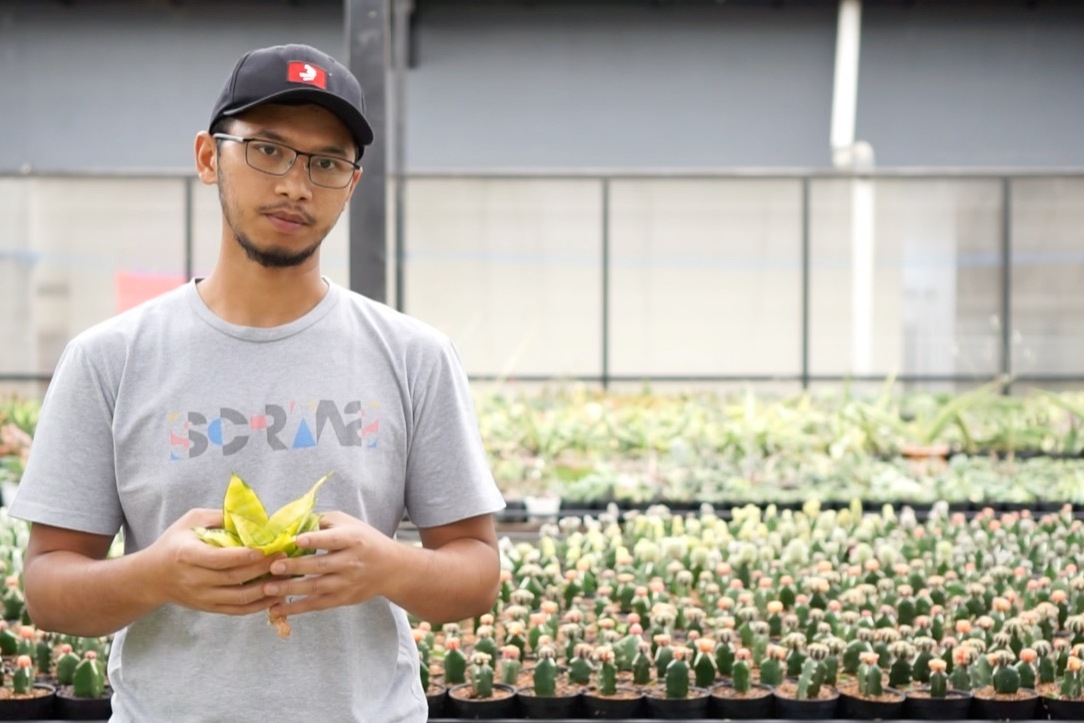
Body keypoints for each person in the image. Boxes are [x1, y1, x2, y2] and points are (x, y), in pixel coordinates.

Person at [10, 43, 504, 722]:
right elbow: (49, 585)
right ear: (208, 157)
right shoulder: (109, 359)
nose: (296, 185)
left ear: (351, 184)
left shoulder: (415, 355)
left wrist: (387, 566)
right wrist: (156, 574)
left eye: (326, 163)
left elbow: (476, 570)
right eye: (268, 150)